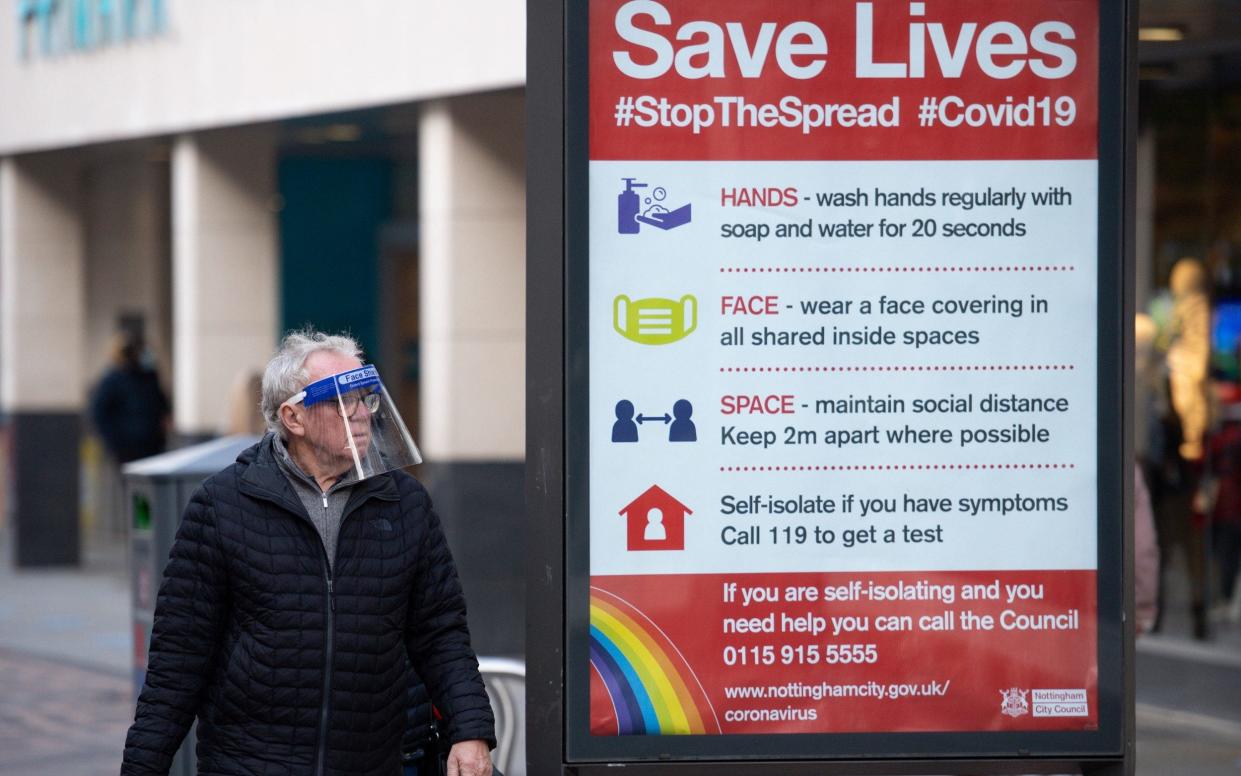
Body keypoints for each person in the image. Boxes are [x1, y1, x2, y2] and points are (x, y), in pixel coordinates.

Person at [121, 330, 495, 776]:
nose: (361, 415)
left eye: (367, 398)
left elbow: (441, 632)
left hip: (370, 764)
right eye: (343, 400)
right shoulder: (222, 504)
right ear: (293, 418)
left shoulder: (405, 503)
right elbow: (179, 657)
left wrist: (469, 730)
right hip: (249, 765)